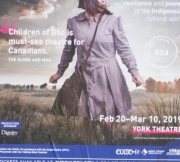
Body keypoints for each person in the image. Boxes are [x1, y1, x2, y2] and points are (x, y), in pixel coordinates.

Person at [49, 0, 142, 141]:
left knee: (107, 120)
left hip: (107, 75)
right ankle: (89, 149)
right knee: (87, 117)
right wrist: (59, 72)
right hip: (84, 75)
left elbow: (124, 49)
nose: (103, 0)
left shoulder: (112, 21)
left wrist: (134, 72)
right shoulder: (73, 23)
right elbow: (68, 50)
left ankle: (109, 149)